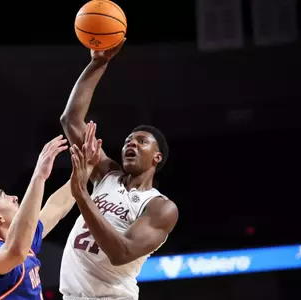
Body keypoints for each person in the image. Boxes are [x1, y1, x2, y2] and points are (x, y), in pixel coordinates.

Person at [60, 40, 179, 300]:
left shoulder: (161, 208)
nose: (131, 143)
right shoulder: (107, 175)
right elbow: (71, 120)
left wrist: (82, 195)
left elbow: (121, 253)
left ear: (157, 157)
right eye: (128, 140)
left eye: (142, 141)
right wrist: (97, 63)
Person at [0, 130, 98, 300]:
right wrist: (38, 177)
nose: (14, 197)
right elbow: (16, 252)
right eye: (3, 196)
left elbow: (56, 208)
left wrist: (85, 169)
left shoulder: (24, 242)